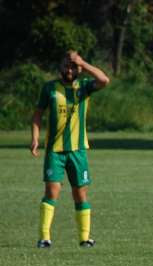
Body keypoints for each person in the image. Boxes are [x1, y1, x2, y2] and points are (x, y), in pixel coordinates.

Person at [30, 51, 110, 248]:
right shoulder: (49, 88)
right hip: (54, 151)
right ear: (60, 67)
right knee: (51, 191)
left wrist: (83, 62)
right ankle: (44, 237)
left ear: (79, 69)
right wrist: (35, 138)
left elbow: (104, 80)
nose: (69, 70)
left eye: (73, 66)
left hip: (77, 151)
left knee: (80, 194)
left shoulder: (84, 87)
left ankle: (84, 238)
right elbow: (38, 115)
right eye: (66, 65)